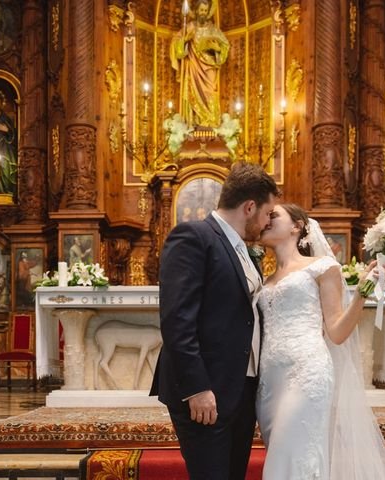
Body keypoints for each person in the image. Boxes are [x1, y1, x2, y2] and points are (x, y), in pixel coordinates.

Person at [151, 162, 279, 480]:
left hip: (239, 388)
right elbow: (176, 319)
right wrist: (197, 388)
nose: (267, 223)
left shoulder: (245, 251)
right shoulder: (193, 237)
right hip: (206, 389)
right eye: (267, 213)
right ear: (249, 207)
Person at [256, 204, 385, 479]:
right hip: (270, 381)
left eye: (274, 215)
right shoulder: (264, 279)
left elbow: (336, 331)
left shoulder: (322, 267)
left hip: (306, 372)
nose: (266, 220)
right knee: (286, 454)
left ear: (296, 226)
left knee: (289, 456)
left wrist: (361, 294)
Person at [170, 0, 230, 127]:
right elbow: (176, 46)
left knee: (210, 94)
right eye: (201, 10)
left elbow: (225, 46)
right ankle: (194, 124)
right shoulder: (189, 27)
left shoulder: (213, 29)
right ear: (196, 11)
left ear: (208, 12)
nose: (203, 13)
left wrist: (217, 48)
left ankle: (211, 124)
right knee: (194, 96)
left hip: (209, 70)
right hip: (193, 68)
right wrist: (185, 40)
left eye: (205, 11)